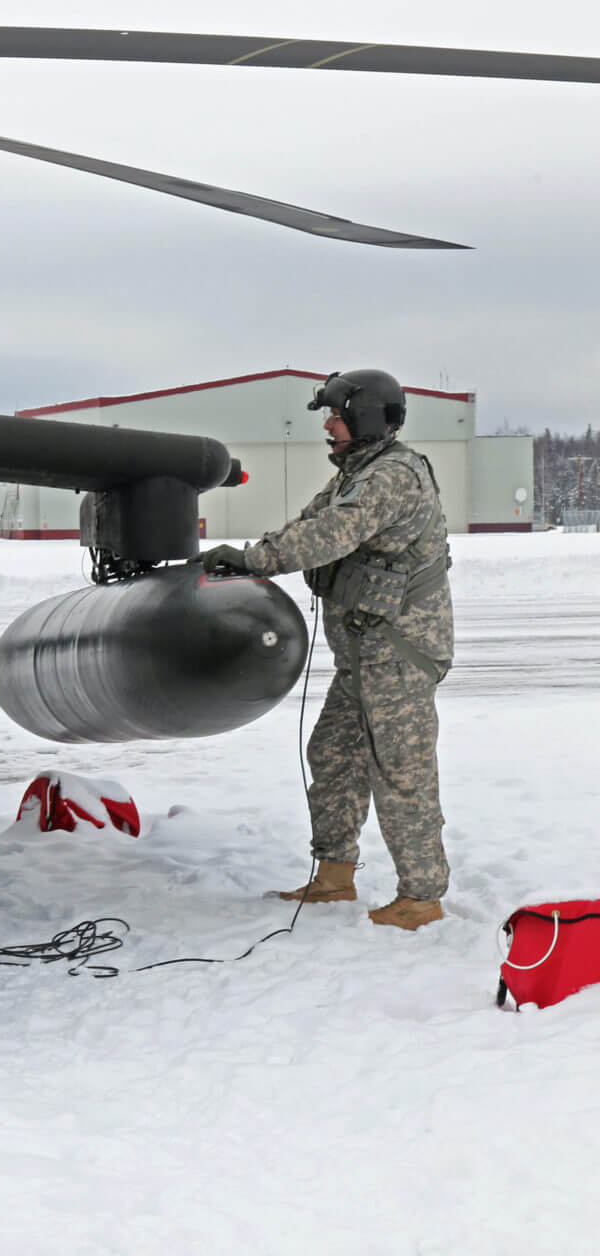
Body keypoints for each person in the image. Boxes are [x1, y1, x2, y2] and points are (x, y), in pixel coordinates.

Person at [200, 369, 453, 932]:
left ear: (364, 419)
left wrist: (254, 560)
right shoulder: (353, 477)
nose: (327, 425)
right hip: (364, 654)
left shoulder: (393, 476)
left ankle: (422, 896)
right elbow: (308, 524)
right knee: (332, 754)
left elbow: (331, 536)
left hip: (398, 652)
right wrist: (258, 553)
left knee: (400, 769)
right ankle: (335, 874)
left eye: (336, 414)